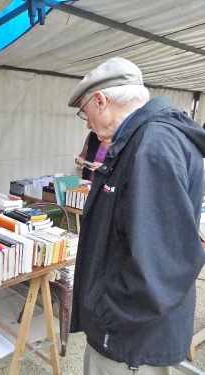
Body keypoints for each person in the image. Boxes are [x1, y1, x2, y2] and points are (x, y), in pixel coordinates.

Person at [68, 56, 205, 375]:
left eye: (85, 113)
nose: (87, 124)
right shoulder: (147, 140)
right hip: (135, 331)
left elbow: (160, 265)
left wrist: (105, 312)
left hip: (129, 338)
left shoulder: (151, 148)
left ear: (100, 100)